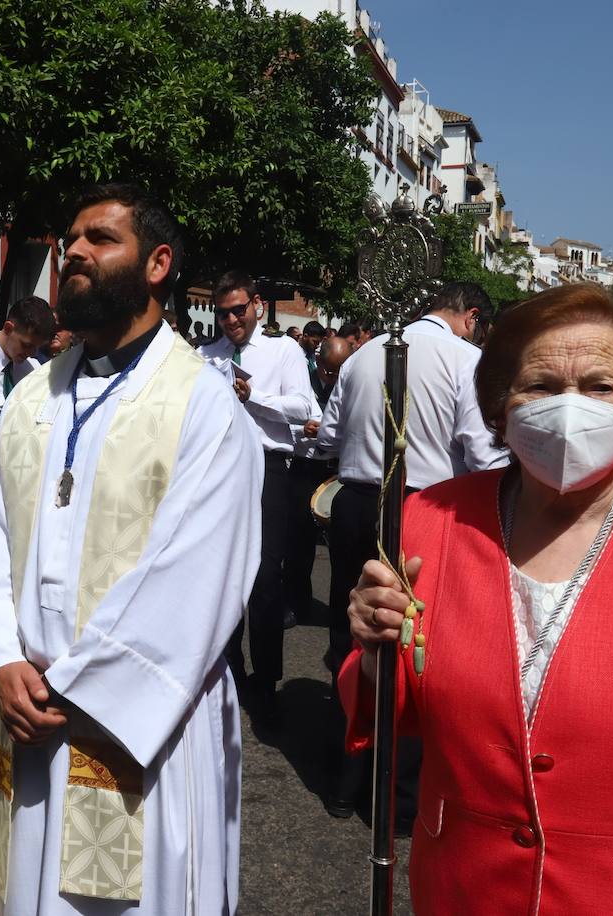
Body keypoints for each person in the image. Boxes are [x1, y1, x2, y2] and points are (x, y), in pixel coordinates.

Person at [342, 283, 613, 913]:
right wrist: (371, 646)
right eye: (542, 385)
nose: (569, 407)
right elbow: (399, 701)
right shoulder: (434, 517)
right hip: (469, 889)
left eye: (601, 386)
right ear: (500, 404)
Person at [0, 183, 260, 915]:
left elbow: (199, 574)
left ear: (157, 263)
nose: (74, 251)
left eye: (100, 239)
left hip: (135, 724)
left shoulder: (204, 403)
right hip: (25, 707)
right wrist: (3, 657)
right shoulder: (28, 399)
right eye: (71, 239)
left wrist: (75, 683)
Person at [317, 280, 506, 825]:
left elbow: (329, 433)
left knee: (348, 632)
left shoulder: (362, 353)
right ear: (470, 317)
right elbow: (483, 454)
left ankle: (345, 780)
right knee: (413, 637)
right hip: (420, 505)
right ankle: (399, 796)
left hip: (353, 501)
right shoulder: (463, 358)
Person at [198, 271, 316, 720]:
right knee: (222, 573)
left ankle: (266, 678)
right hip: (221, 470)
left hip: (268, 469)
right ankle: (229, 669)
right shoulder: (207, 356)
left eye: (239, 310)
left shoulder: (283, 350)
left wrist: (255, 398)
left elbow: (305, 408)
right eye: (223, 312)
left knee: (266, 577)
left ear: (257, 306)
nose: (231, 320)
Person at [282, 336, 353, 622]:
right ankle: (294, 602)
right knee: (298, 542)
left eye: (340, 371)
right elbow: (282, 418)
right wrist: (303, 430)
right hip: (304, 464)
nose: (334, 377)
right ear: (319, 362)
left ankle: (341, 610)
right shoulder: (301, 380)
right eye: (329, 371)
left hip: (335, 469)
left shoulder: (349, 383)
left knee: (342, 544)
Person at [0, 294, 54, 407]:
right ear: (8, 328)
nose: (32, 353)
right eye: (27, 345)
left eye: (37, 347)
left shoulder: (33, 370)